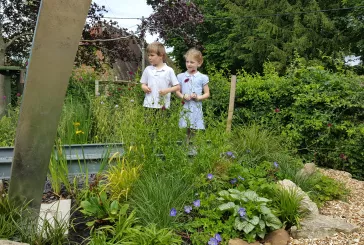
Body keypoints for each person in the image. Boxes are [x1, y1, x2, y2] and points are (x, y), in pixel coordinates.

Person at [176, 48, 210, 145]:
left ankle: (193, 148)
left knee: (194, 129)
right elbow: (177, 91)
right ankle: (185, 147)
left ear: (199, 63)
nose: (189, 64)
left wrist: (198, 97)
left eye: (192, 62)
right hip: (185, 106)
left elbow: (207, 93)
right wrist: (183, 96)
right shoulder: (180, 76)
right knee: (186, 128)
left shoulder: (202, 77)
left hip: (196, 107)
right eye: (187, 62)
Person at [140, 42, 180, 110]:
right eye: (148, 55)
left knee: (161, 120)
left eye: (152, 55)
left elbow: (177, 87)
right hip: (148, 104)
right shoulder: (148, 69)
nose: (149, 57)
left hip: (162, 106)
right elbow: (143, 84)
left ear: (161, 56)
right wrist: (144, 87)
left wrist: (167, 90)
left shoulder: (168, 70)